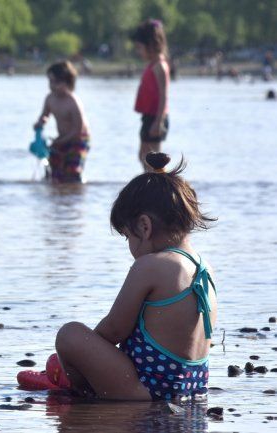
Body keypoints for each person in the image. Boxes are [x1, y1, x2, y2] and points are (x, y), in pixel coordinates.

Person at [54, 152, 217, 401]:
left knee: (70, 335)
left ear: (144, 226)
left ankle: (81, 388)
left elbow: (114, 329)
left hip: (148, 390)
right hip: (190, 387)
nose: (130, 245)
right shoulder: (204, 268)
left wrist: (79, 361)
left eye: (127, 236)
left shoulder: (151, 266)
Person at [33, 61, 90, 183]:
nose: (52, 86)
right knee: (54, 171)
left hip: (78, 139)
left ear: (68, 82)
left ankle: (74, 189)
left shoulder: (73, 102)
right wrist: (40, 123)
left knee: (72, 172)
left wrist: (59, 142)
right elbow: (45, 115)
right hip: (62, 138)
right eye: (50, 81)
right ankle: (59, 193)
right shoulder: (50, 98)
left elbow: (77, 130)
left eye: (56, 82)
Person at [131, 19, 170, 172]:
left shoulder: (160, 66)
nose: (138, 52)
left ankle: (161, 187)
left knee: (154, 160)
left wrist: (158, 122)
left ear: (152, 45)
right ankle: (151, 184)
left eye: (140, 48)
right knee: (143, 156)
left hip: (157, 118)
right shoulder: (152, 64)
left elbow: (163, 95)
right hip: (148, 117)